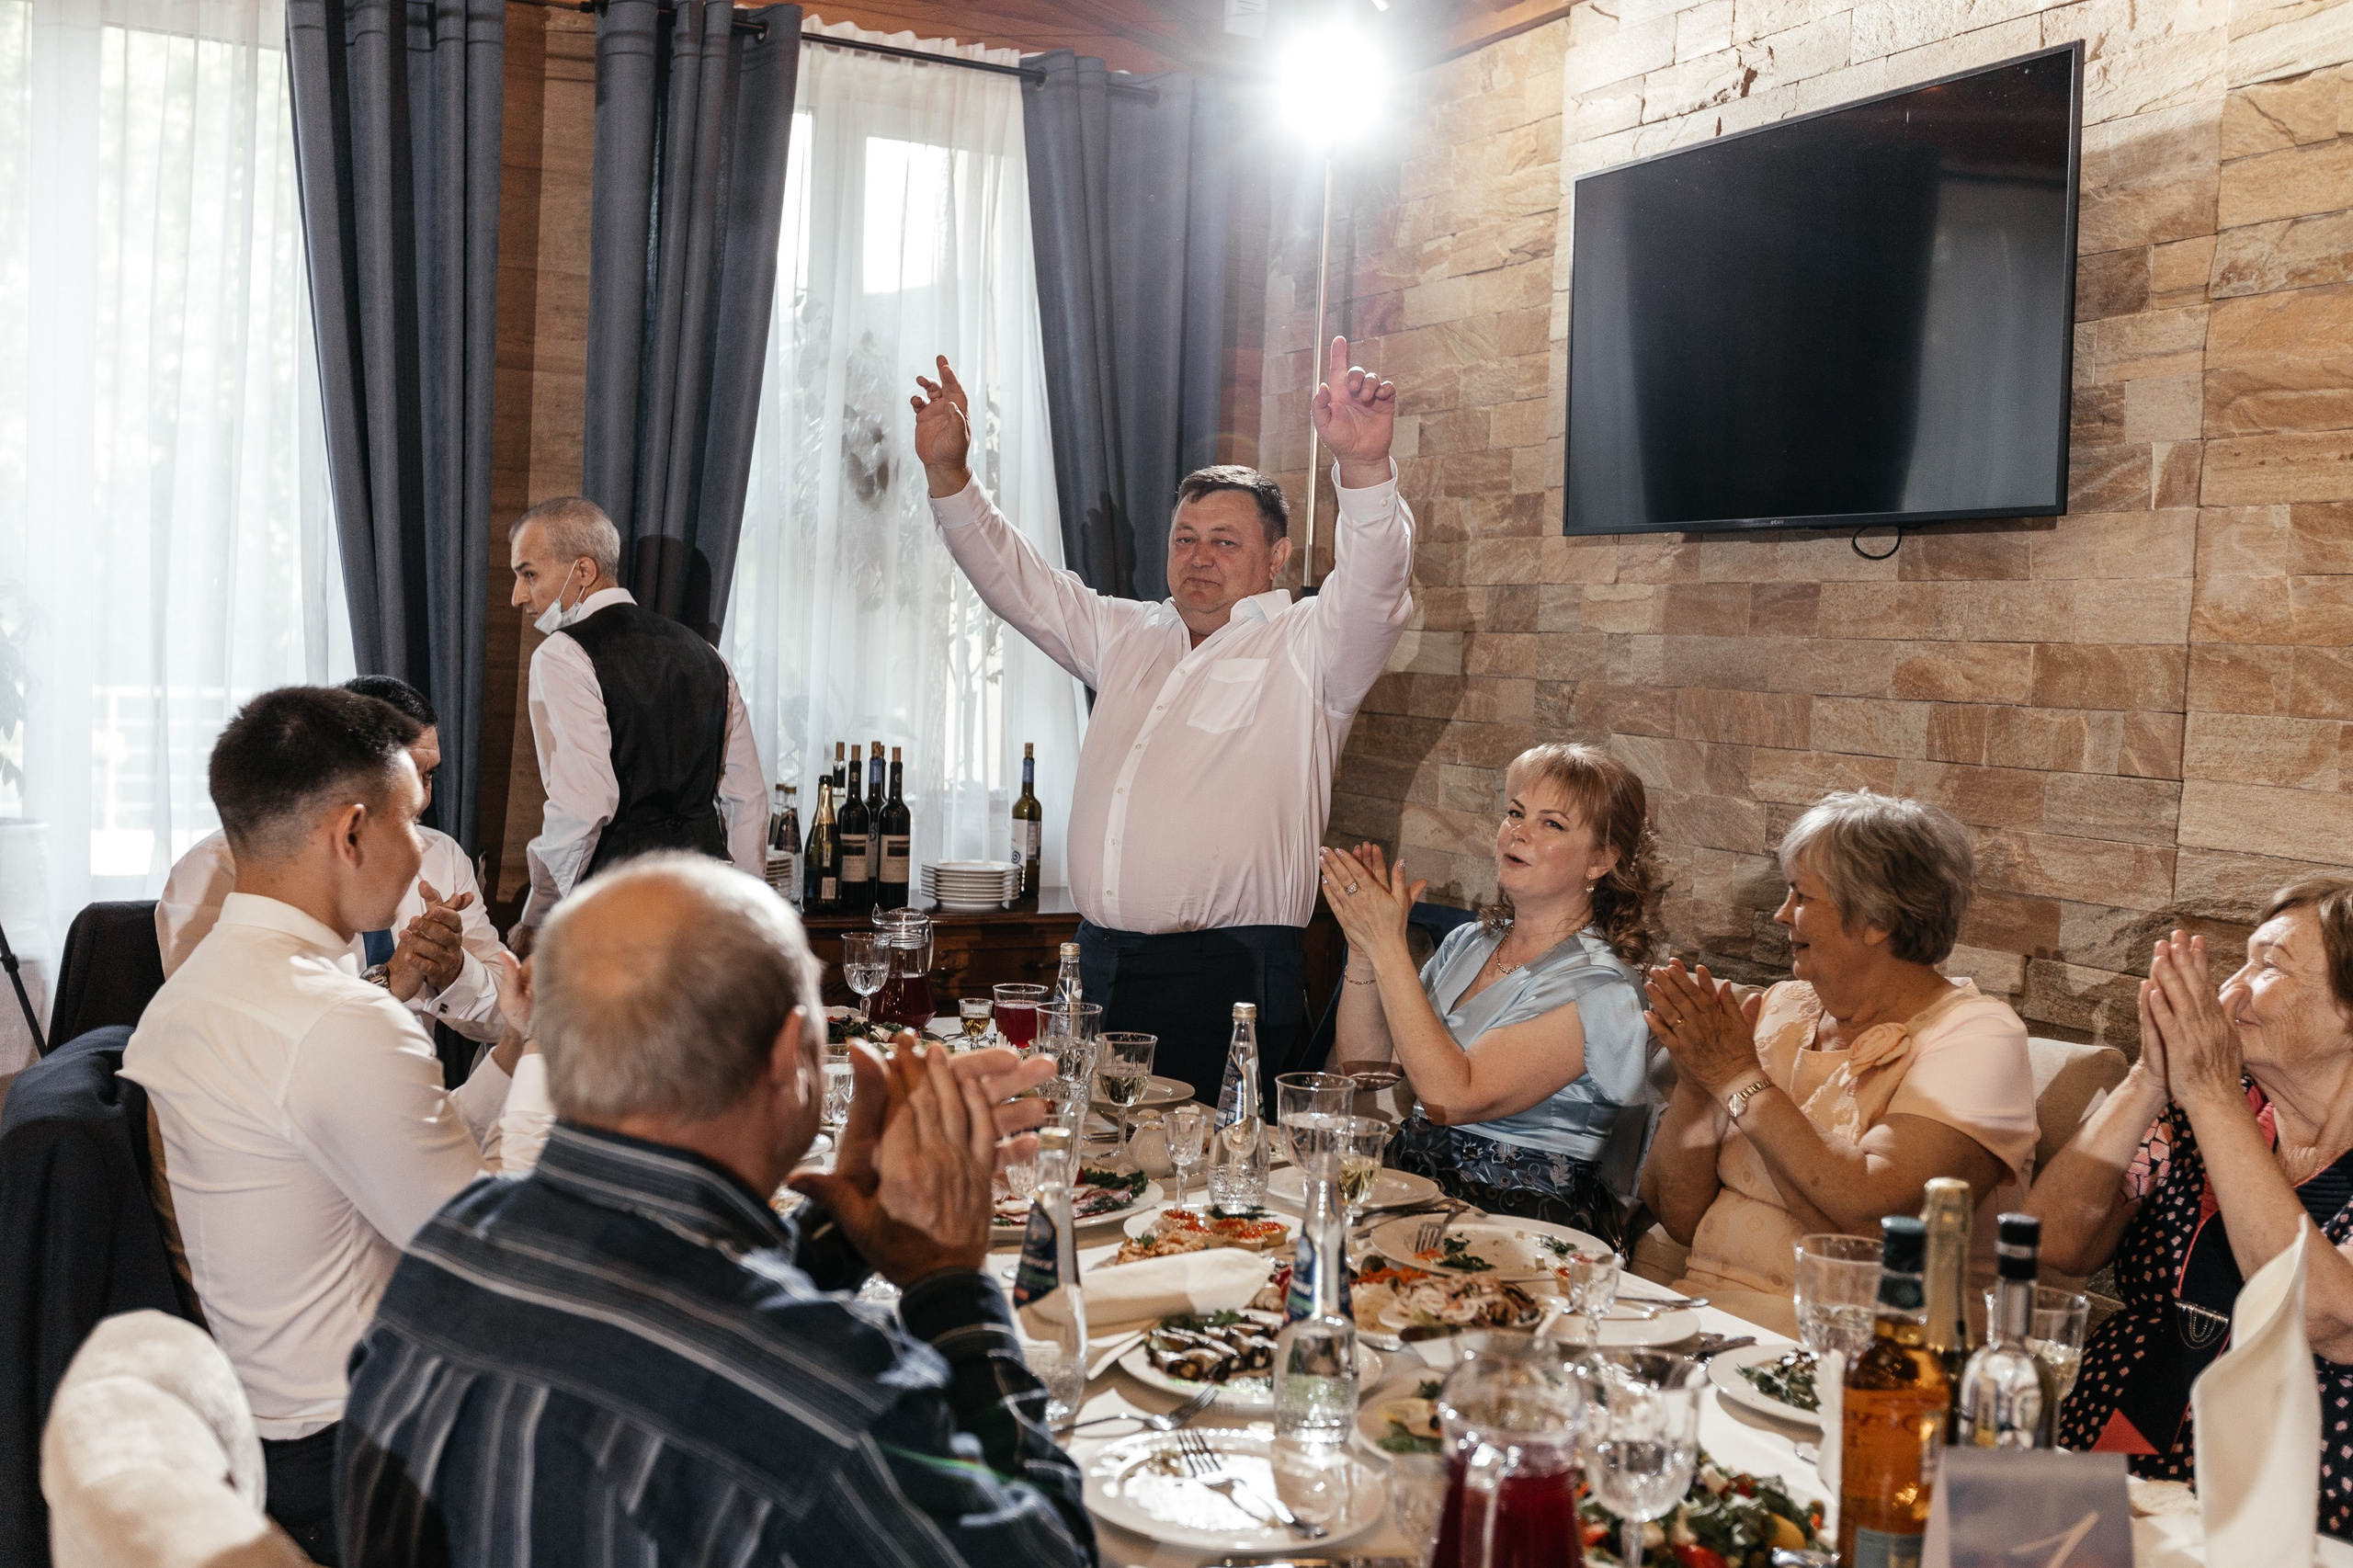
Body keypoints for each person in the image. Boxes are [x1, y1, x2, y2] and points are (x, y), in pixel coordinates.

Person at [337, 854, 1095, 1567]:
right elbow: (1046, 1554)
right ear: (789, 1052)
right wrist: (949, 1285)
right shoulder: (812, 1393)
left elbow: (668, 1302)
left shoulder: (450, 1245)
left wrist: (837, 1232)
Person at [911, 336, 1414, 1096]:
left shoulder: (1312, 645)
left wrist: (1365, 468)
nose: (1199, 557)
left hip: (1228, 976)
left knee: (1206, 1170)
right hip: (1098, 963)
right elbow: (1020, 584)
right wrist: (951, 476)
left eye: (1224, 541)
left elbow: (1376, 584)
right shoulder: (1129, 633)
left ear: (1276, 558)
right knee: (1090, 1150)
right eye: (1185, 539)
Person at [121, 687, 548, 1563]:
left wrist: (513, 1045)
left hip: (271, 1429)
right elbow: (489, 1258)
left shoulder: (195, 992)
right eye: (411, 822)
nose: (423, 850)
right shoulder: (336, 1019)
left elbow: (399, 1151)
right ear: (352, 833)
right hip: (367, 1447)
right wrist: (551, 1056)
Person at [1638, 790, 2038, 1335]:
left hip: (1854, 1347)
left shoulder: (1977, 1036)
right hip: (1700, 1317)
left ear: (1878, 918)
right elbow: (1676, 1217)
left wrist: (1736, 1077)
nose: (1781, 914)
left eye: (1801, 895)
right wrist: (1695, 1080)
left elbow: (1874, 1222)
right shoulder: (1779, 1008)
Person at [2030, 881, 2353, 1531]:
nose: (2231, 989)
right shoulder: (2200, 1110)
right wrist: (2151, 1077)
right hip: (2110, 1447)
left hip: (2291, 1500)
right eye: (2241, 962)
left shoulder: (2213, 1102)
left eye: (2269, 966)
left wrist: (2208, 1091)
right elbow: (2051, 1242)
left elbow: (2319, 1314)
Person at [1315, 743, 1662, 1244]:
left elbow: (1450, 1100)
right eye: (1515, 813)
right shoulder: (1468, 943)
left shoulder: (1605, 989)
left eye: (1551, 823)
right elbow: (1367, 1069)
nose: (1518, 832)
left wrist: (1389, 944)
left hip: (1521, 1223)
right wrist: (1364, 948)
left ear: (1601, 860)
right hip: (1411, 1191)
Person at [154, 675, 511, 1050]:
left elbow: (508, 1019)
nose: (421, 799)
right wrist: (385, 984)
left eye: (429, 775)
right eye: (405, 775)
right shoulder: (212, 870)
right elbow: (222, 1036)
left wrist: (455, 971)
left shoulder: (442, 856)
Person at [508, 496, 767, 937]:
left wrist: (537, 919)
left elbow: (583, 806)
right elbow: (748, 801)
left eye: (528, 574)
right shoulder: (708, 656)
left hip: (619, 910)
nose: (518, 597)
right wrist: (747, 918)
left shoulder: (562, 655)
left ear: (583, 571)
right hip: (706, 907)